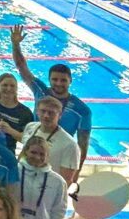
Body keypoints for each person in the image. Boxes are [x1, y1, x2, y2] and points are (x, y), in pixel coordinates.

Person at [10, 25, 91, 172]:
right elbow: (21, 66)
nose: (58, 83)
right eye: (55, 79)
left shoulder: (82, 110)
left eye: (63, 80)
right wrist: (16, 45)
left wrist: (76, 174)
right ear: (49, 80)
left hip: (58, 158)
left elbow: (82, 146)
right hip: (32, 153)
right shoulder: (41, 90)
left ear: (70, 81)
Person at [20, 95, 80, 185]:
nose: (46, 116)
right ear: (37, 112)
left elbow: (66, 181)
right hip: (24, 184)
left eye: (51, 113)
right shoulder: (30, 127)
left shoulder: (69, 144)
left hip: (47, 189)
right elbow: (23, 154)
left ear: (60, 115)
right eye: (43, 111)